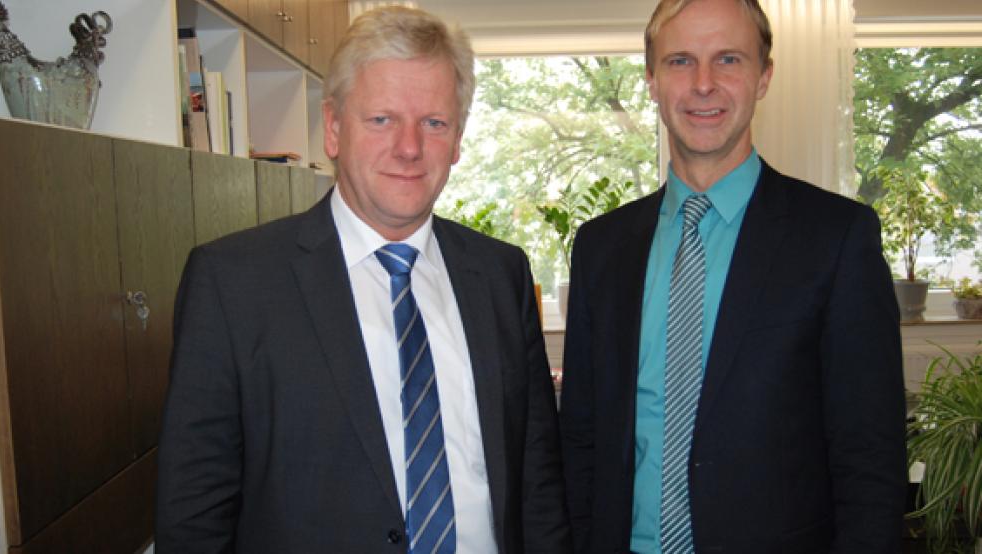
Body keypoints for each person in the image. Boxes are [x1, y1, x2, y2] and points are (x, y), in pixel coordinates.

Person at [155, 6, 570, 553]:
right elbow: (193, 518)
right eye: (382, 119)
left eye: (434, 122)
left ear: (459, 139)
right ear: (332, 128)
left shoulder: (501, 274)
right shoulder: (233, 284)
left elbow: (536, 481)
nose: (409, 147)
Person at [559, 0, 907, 552]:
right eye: (679, 61)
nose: (703, 84)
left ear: (763, 76)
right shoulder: (602, 248)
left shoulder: (838, 239)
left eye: (728, 59)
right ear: (651, 80)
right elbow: (580, 440)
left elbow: (870, 459)